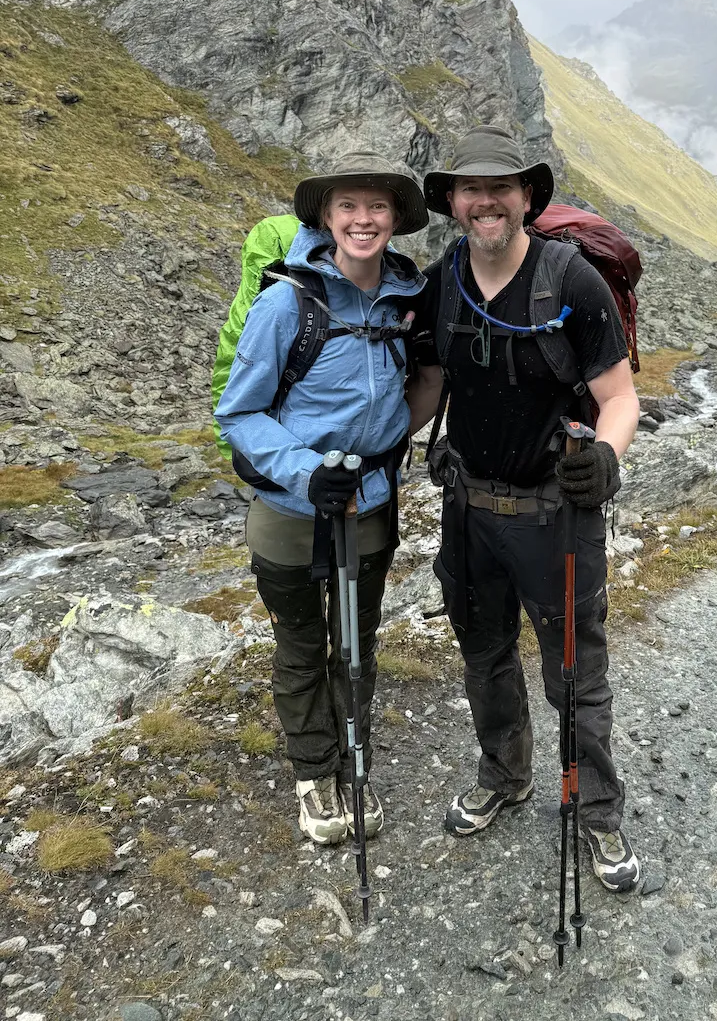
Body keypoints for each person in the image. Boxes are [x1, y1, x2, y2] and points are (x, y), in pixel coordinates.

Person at [406, 125, 642, 892]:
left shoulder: (570, 280)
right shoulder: (445, 279)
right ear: (451, 201)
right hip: (468, 509)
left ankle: (596, 812)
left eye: (500, 188)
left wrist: (605, 457)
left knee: (574, 673)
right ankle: (504, 777)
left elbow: (619, 398)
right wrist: (359, 448)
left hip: (554, 514)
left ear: (526, 197)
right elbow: (432, 386)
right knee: (485, 658)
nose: (485, 202)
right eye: (470, 189)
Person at [215, 153, 428, 845]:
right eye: (348, 207)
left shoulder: (404, 301)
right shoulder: (288, 302)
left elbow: (415, 388)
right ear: (326, 218)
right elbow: (239, 413)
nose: (363, 220)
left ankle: (353, 760)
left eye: (377, 208)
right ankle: (315, 777)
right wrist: (307, 471)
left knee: (357, 644)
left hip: (367, 509)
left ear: (395, 220)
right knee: (303, 645)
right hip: (289, 513)